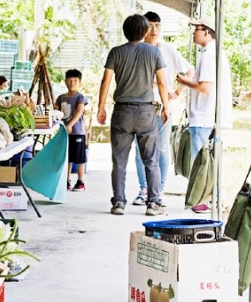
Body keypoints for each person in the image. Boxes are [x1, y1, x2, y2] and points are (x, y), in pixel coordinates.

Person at [97, 13, 169, 216]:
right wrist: (166, 107)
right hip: (146, 112)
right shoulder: (154, 52)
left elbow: (106, 81)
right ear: (145, 31)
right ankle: (153, 203)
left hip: (121, 111)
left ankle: (119, 203)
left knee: (119, 161)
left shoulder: (116, 52)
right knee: (151, 160)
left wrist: (101, 107)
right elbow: (162, 82)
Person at [131, 11, 196, 206]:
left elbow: (189, 70)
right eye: (150, 26)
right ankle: (144, 189)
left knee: (161, 149)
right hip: (140, 107)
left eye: (157, 26)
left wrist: (177, 93)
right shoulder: (135, 50)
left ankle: (158, 190)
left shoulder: (167, 50)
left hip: (163, 107)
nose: (154, 30)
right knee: (140, 150)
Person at [176, 17, 233, 213]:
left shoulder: (208, 55)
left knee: (200, 162)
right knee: (208, 161)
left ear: (207, 32)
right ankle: (210, 197)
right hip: (209, 116)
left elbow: (205, 87)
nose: (194, 32)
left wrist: (184, 81)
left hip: (203, 115)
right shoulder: (214, 53)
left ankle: (202, 199)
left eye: (197, 29)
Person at [54, 69, 88, 191]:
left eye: (75, 80)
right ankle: (66, 180)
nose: (72, 83)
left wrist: (70, 125)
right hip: (64, 132)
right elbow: (56, 112)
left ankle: (80, 181)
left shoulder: (80, 97)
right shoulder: (60, 98)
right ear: (65, 82)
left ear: (80, 83)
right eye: (70, 80)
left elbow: (79, 112)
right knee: (66, 157)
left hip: (77, 132)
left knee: (79, 158)